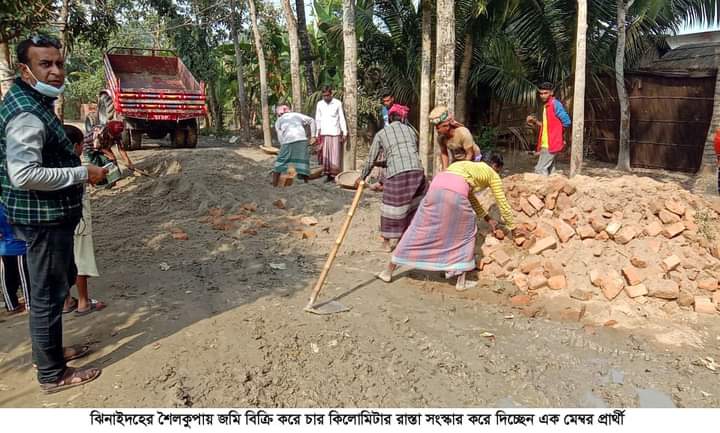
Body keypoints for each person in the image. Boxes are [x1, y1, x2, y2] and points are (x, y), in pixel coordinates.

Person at [0, 35, 107, 393]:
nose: (56, 71)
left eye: (59, 63)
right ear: (24, 70)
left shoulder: (34, 101)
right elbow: (24, 174)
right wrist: (82, 173)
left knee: (53, 287)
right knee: (47, 295)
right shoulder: (26, 114)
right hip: (42, 219)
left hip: (44, 216)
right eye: (45, 64)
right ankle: (52, 374)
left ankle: (48, 354)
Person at [378, 156, 522, 291]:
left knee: (418, 229)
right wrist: (513, 227)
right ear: (496, 166)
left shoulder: (465, 166)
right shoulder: (492, 174)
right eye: (499, 170)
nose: (498, 173)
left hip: (434, 188)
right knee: (465, 233)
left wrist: (487, 218)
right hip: (455, 192)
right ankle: (460, 281)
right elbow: (502, 202)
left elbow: (469, 197)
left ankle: (387, 271)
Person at [356, 105, 425, 252]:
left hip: (397, 173)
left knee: (390, 207)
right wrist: (382, 164)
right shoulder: (411, 131)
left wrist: (361, 177)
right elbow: (407, 153)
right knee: (413, 205)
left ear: (390, 118)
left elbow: (370, 159)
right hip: (417, 171)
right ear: (402, 118)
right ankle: (407, 238)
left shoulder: (381, 134)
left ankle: (387, 242)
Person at [62, 125, 106, 316]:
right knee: (80, 259)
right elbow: (96, 177)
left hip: (58, 220)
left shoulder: (51, 164)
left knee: (63, 259)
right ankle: (83, 301)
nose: (82, 148)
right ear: (75, 146)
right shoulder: (76, 166)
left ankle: (65, 301)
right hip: (78, 219)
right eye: (81, 145)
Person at [526, 82, 571, 176]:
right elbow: (548, 126)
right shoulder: (547, 106)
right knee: (550, 169)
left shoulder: (555, 104)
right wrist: (535, 122)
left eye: (545, 93)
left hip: (551, 143)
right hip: (546, 143)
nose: (543, 95)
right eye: (541, 93)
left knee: (539, 169)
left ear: (551, 92)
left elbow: (567, 121)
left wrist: (558, 134)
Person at [272, 105, 316, 186]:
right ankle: (306, 183)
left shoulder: (279, 120)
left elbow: (280, 136)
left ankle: (274, 184)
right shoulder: (296, 115)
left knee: (280, 163)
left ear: (279, 114)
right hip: (301, 140)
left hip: (288, 142)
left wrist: (282, 146)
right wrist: (313, 136)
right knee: (303, 162)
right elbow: (311, 120)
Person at [428, 105, 482, 171]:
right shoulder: (441, 138)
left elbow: (470, 154)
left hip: (473, 159)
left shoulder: (463, 133)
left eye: (438, 128)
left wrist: (462, 170)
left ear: (446, 126)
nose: (437, 130)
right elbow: (444, 153)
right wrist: (445, 169)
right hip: (458, 160)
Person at [0, 202, 30, 315]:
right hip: (20, 247)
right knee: (24, 278)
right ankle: (29, 304)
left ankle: (11, 305)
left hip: (4, 248)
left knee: (6, 279)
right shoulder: (16, 205)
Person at [313, 86, 347, 181]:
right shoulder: (320, 104)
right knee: (326, 155)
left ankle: (335, 175)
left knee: (335, 155)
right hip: (324, 133)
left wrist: (345, 132)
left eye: (327, 95)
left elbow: (341, 118)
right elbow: (318, 119)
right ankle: (327, 175)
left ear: (331, 94)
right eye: (324, 96)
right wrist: (317, 133)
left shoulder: (337, 103)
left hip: (335, 132)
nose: (326, 97)